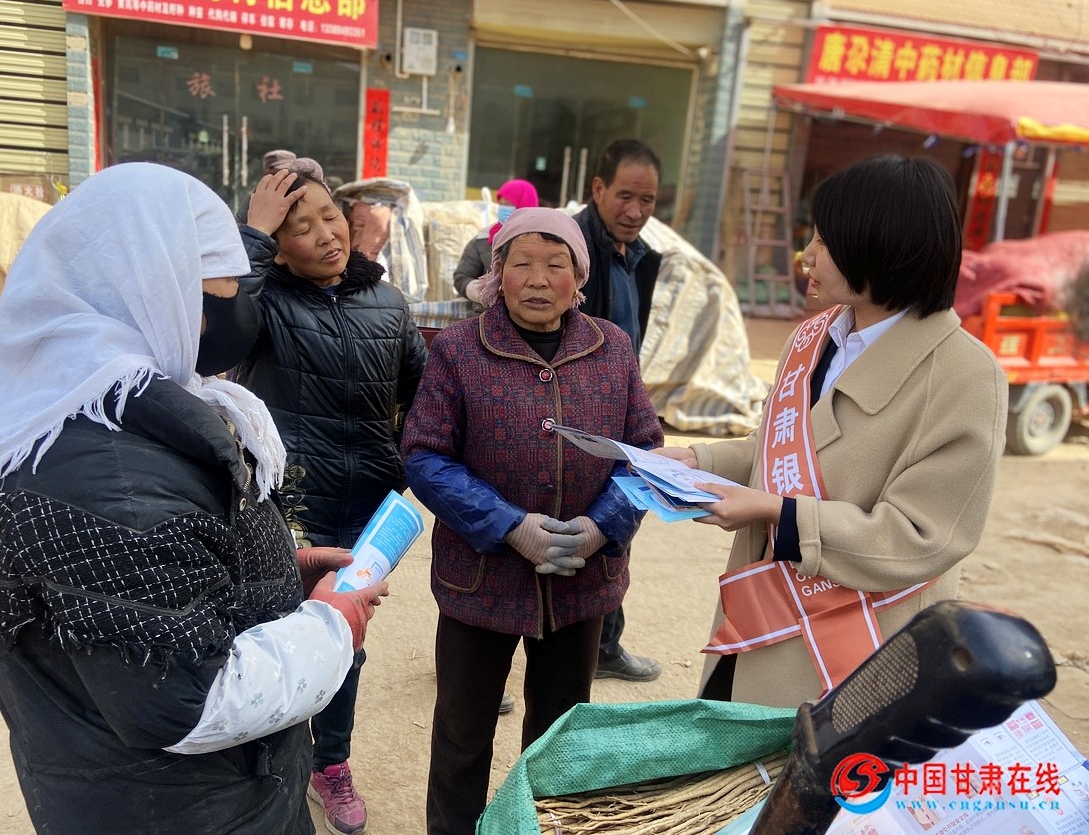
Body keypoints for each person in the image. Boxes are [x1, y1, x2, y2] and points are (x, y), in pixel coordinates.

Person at [0, 162, 388, 835]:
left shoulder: (125, 409)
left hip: (220, 795)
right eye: (224, 285)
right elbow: (187, 704)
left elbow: (163, 584)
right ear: (154, 289)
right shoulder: (110, 481)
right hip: (185, 810)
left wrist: (273, 581)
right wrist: (332, 621)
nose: (239, 304)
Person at [658, 155, 1009, 708]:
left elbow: (922, 535)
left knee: (817, 760)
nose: (806, 255)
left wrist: (780, 514)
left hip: (857, 650)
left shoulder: (965, 376)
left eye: (825, 242)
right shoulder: (814, 337)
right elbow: (774, 449)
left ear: (882, 247)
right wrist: (698, 461)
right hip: (759, 623)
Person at [401, 207, 664, 835]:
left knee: (560, 739)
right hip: (480, 581)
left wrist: (602, 526)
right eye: (522, 263)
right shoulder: (459, 349)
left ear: (580, 276)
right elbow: (424, 455)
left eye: (556, 264)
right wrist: (509, 525)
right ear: (499, 272)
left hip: (580, 581)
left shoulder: (612, 348)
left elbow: (646, 451)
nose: (539, 279)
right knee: (462, 735)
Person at [232, 161, 427, 835]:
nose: (324, 234)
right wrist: (252, 238)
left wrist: (403, 463)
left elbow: (424, 398)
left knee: (347, 634)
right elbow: (217, 327)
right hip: (288, 503)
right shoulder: (262, 303)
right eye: (299, 227)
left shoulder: (389, 303)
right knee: (273, 631)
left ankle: (330, 763)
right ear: (278, 246)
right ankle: (270, 764)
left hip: (368, 505)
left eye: (328, 216)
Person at [573, 138, 664, 683]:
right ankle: (483, 658)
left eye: (647, 200)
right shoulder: (572, 247)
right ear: (598, 188)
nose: (635, 211)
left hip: (618, 411)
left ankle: (604, 645)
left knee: (615, 529)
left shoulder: (639, 256)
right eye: (625, 196)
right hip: (572, 412)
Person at [452, 178, 539, 303]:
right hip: (490, 311)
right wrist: (484, 293)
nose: (503, 209)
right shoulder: (484, 239)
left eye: (508, 204)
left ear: (525, 205)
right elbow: (462, 277)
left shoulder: (544, 241)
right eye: (501, 204)